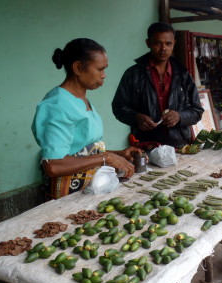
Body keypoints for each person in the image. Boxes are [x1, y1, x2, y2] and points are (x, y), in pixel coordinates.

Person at [32, 38, 141, 201]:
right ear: (77, 67)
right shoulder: (57, 105)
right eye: (100, 69)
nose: (104, 75)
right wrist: (107, 158)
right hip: (68, 196)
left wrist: (119, 154)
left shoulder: (81, 99)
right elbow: (53, 165)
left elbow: (81, 151)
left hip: (90, 190)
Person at [112, 22, 204, 148]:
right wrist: (136, 117)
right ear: (148, 43)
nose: (163, 48)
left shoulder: (183, 74)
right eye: (157, 43)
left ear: (174, 44)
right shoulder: (133, 74)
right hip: (146, 145)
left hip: (178, 146)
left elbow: (197, 111)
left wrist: (179, 116)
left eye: (168, 43)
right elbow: (118, 107)